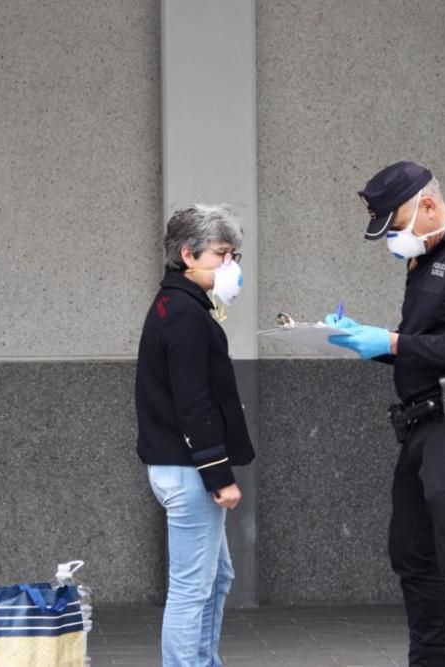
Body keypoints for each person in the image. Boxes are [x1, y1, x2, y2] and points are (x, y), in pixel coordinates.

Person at [328, 161, 445, 667]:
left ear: (428, 205)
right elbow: (425, 343)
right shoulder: (425, 255)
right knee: (410, 551)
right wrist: (371, 343)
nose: (392, 236)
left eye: (395, 223)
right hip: (420, 424)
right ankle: (427, 658)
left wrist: (391, 341)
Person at [136, 204, 255, 667]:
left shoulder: (177, 303)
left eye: (234, 255)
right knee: (191, 588)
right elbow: (194, 402)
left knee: (217, 577)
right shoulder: (184, 313)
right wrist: (218, 475)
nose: (230, 266)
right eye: (222, 254)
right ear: (188, 255)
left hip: (181, 467)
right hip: (189, 471)